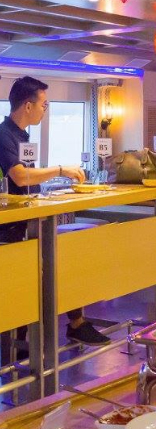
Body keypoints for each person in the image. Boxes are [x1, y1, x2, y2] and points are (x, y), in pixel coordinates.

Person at [0, 77, 109, 345]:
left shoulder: (21, 135)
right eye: (44, 105)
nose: (45, 110)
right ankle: (20, 342)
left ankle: (67, 325)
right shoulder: (4, 135)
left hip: (27, 220)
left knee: (54, 264)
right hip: (11, 226)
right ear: (28, 106)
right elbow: (20, 177)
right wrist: (61, 170)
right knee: (27, 277)